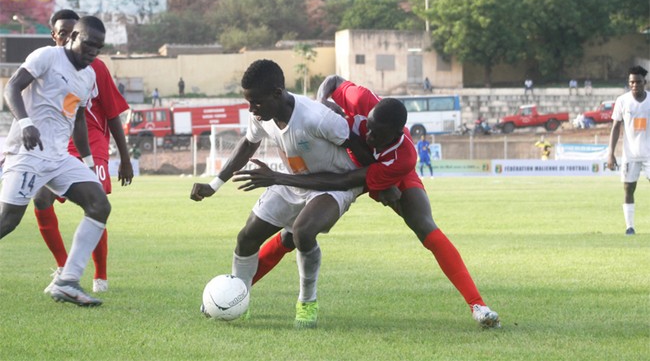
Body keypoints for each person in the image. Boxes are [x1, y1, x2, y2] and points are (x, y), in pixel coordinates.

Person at [234, 75, 501, 328]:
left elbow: (346, 181)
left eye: (377, 135)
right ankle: (235, 296)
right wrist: (322, 102)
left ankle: (478, 306)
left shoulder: (403, 157)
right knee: (293, 236)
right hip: (348, 166)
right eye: (368, 129)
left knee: (423, 225)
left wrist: (385, 187)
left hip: (374, 173)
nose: (369, 137)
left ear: (398, 132)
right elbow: (333, 81)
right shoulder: (363, 98)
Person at [189, 59, 363, 329]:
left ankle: (307, 302)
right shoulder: (261, 113)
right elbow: (249, 143)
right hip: (292, 181)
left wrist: (380, 183)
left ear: (277, 94)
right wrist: (214, 184)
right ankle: (238, 300)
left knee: (303, 233)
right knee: (247, 238)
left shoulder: (317, 118)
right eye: (248, 102)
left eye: (256, 102)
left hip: (334, 185)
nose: (251, 109)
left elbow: (360, 158)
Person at [0, 16, 111, 306]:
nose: (92, 52)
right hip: (27, 152)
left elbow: (77, 122)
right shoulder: (47, 56)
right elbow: (11, 88)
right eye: (88, 44)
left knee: (99, 205)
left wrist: (87, 163)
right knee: (7, 220)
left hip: (58, 157)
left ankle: (67, 281)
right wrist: (25, 123)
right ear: (73, 36)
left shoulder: (87, 77)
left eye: (98, 48)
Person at [33, 9, 133, 295]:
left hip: (94, 146)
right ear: (54, 36)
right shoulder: (46, 65)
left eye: (70, 32)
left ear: (79, 34)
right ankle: (64, 268)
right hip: (59, 148)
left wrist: (125, 159)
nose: (65, 37)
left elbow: (112, 114)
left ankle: (100, 276)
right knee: (41, 199)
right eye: (61, 33)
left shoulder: (95, 68)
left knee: (96, 204)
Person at [607, 66, 650, 236]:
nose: (634, 85)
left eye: (638, 82)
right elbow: (616, 127)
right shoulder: (622, 101)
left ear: (644, 82)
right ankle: (629, 227)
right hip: (630, 154)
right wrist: (610, 152)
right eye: (631, 82)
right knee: (628, 189)